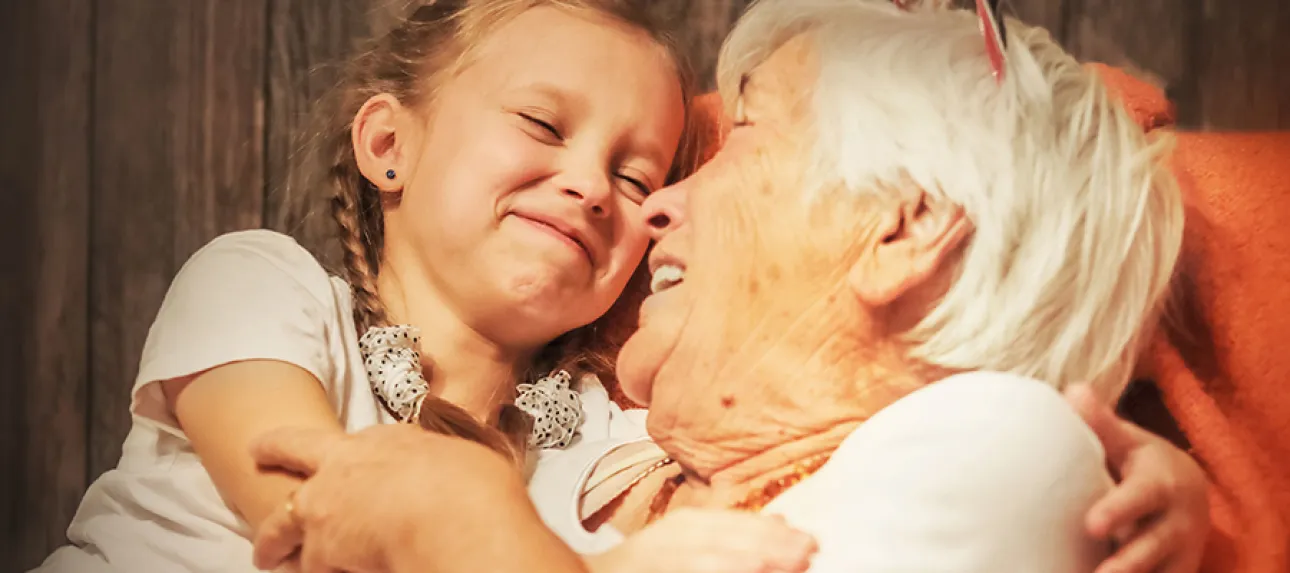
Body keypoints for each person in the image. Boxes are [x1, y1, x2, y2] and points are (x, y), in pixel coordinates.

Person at [248, 1, 1211, 573]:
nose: (659, 202)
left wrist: (460, 523)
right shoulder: (597, 468)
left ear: (905, 226)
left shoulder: (1009, 443)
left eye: (743, 136)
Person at [30, 2, 820, 572]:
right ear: (387, 145)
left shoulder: (610, 440)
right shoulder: (258, 288)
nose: (590, 186)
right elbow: (318, 526)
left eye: (633, 175)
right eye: (544, 126)